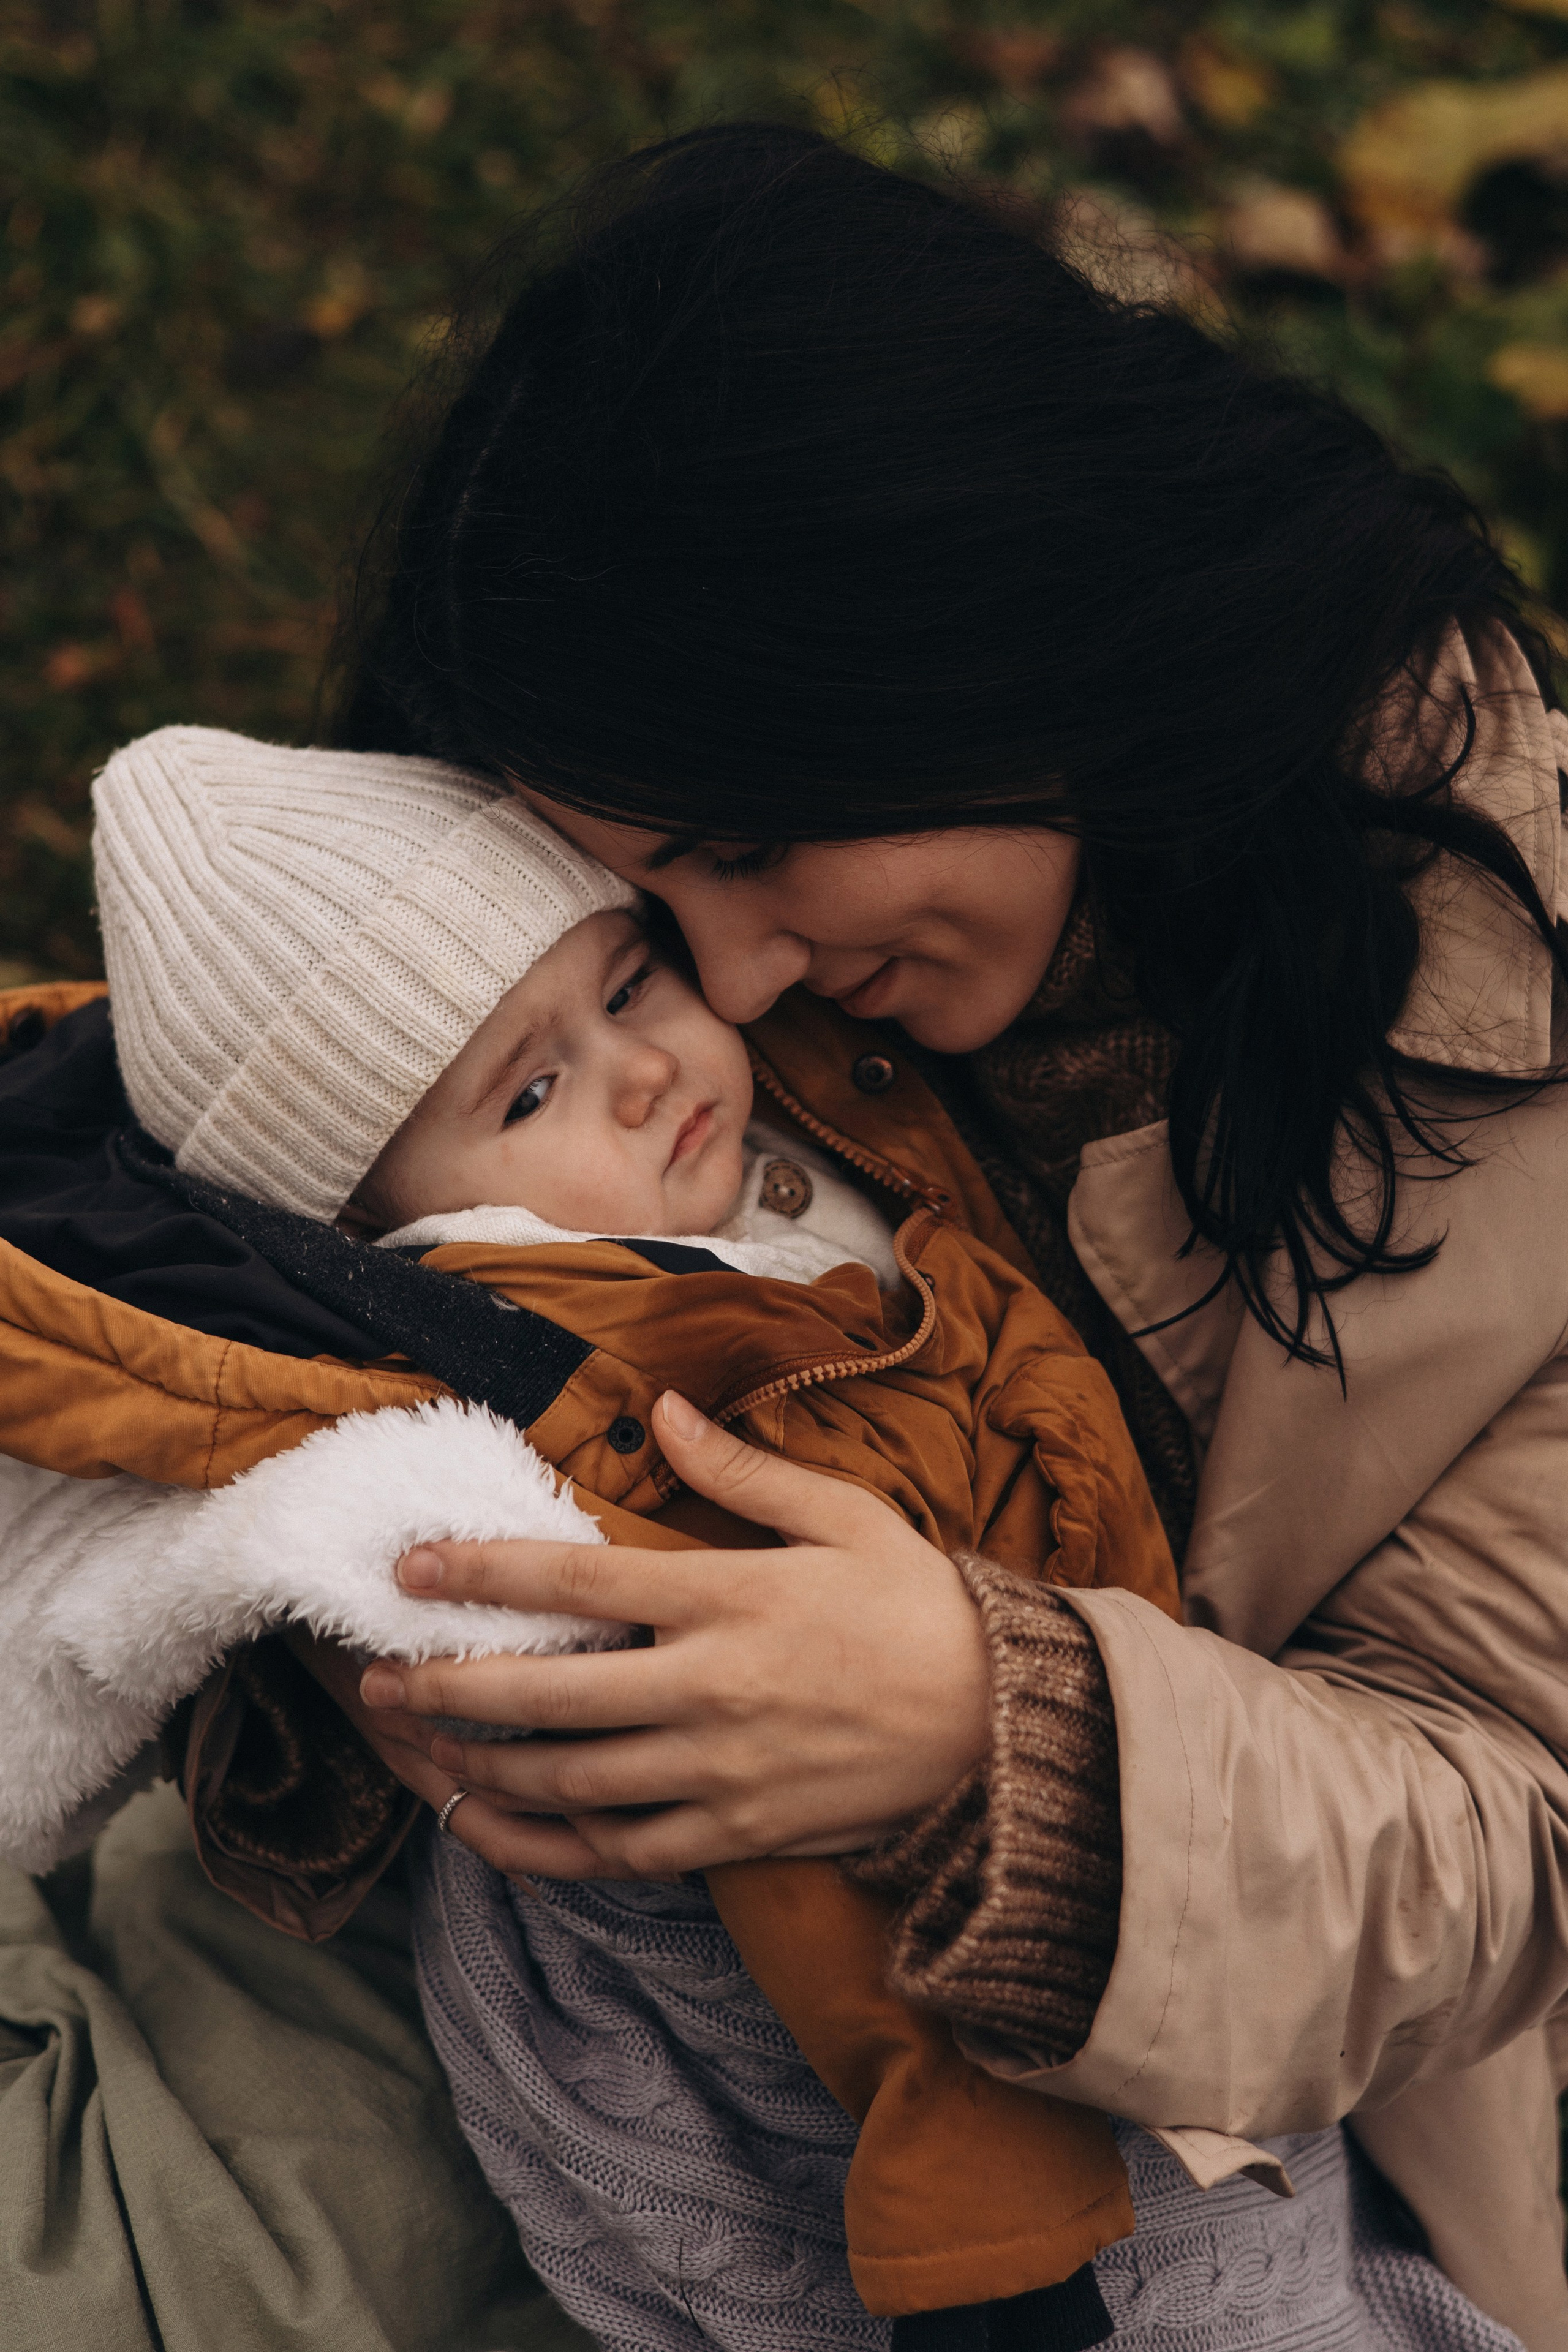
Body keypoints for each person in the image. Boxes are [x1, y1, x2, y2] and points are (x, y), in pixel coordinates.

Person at [0, 116, 1561, 2352]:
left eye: (751, 847)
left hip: (1198, 2139)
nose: (720, 989)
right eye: (646, 901)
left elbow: (1509, 1836)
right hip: (485, 1998)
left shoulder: (1519, 1044)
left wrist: (998, 1735)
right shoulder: (677, 951)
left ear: (972, 639)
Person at [0, 720, 1181, 2350]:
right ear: (384, 1227)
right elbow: (808, 1849)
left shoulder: (796, 1137)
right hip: (871, 2041)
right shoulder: (583, 1385)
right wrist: (998, 2248)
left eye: (629, 984)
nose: (641, 1071)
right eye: (532, 1088)